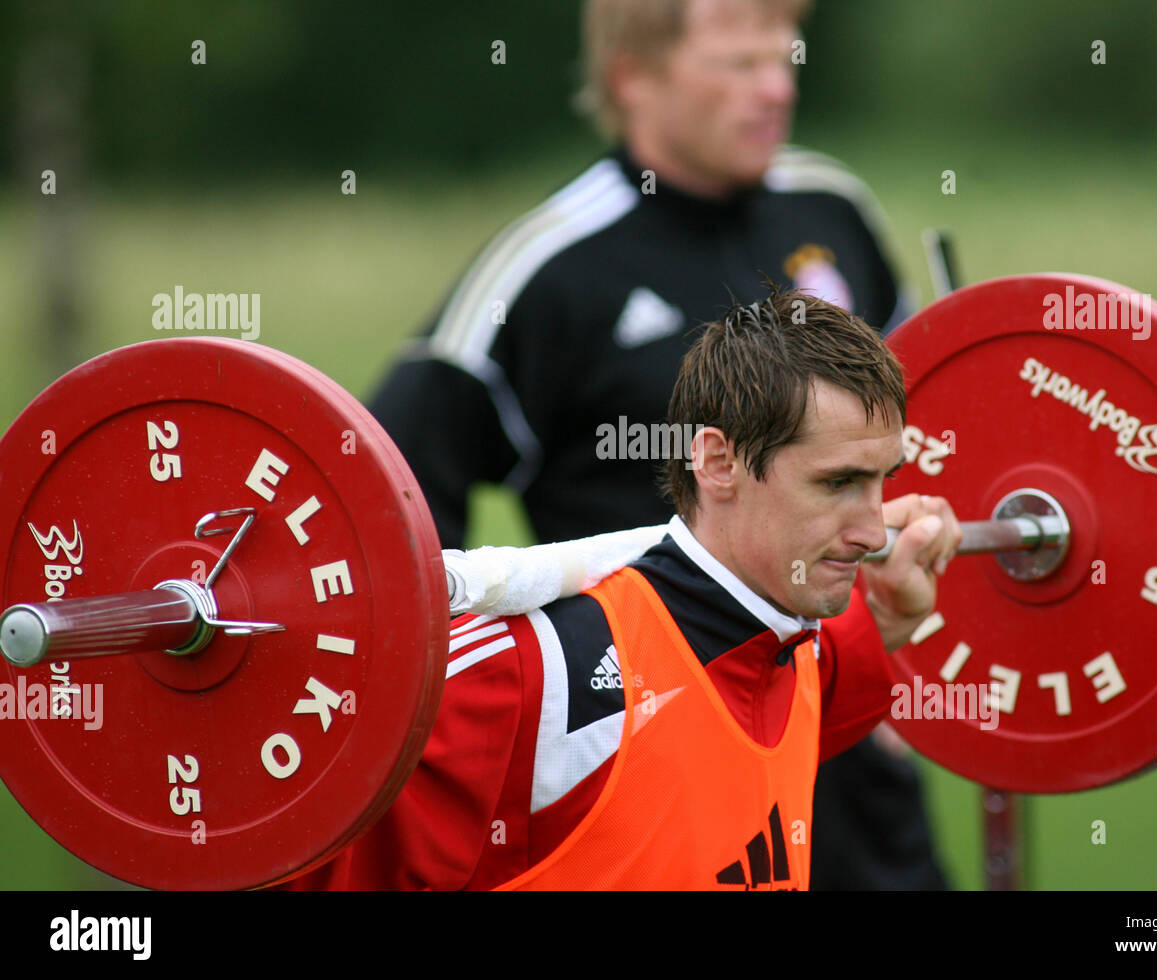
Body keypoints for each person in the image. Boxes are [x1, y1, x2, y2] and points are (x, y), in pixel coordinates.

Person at [366, 0, 947, 889]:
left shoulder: (831, 207)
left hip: (835, 728)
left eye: (783, 59)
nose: (776, 89)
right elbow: (385, 504)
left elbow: (927, 429)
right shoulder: (549, 269)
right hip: (625, 754)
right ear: (633, 76)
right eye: (738, 64)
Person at [286, 288, 960, 889]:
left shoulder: (794, 659)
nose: (874, 532)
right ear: (718, 461)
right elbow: (283, 855)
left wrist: (890, 609)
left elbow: (778, 683)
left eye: (884, 481)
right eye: (838, 483)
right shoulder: (536, 677)